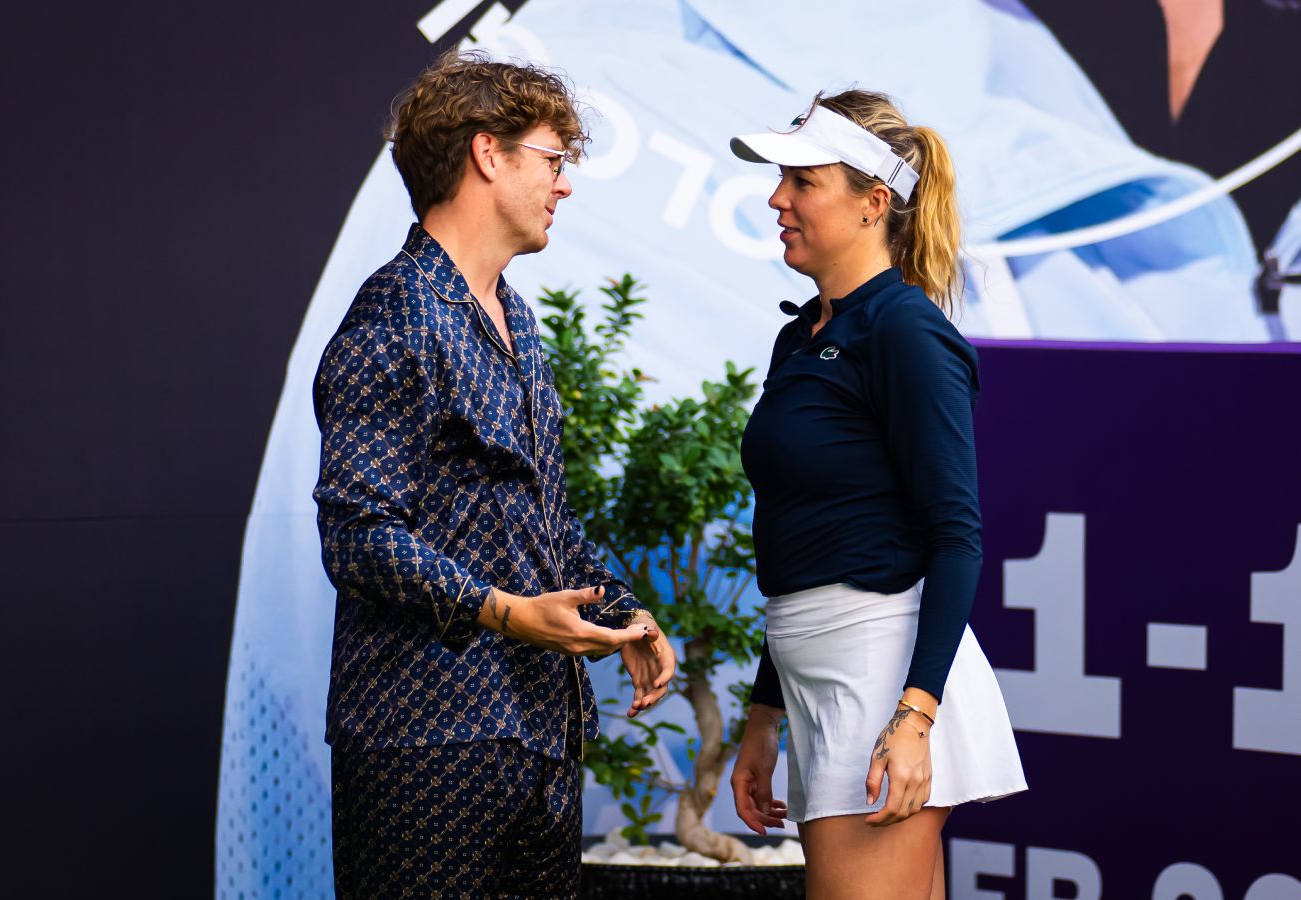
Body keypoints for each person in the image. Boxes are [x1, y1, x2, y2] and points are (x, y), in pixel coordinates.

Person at [311, 50, 676, 899]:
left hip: (538, 736)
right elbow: (358, 536)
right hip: (423, 742)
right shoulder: (395, 313)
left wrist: (623, 614)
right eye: (552, 159)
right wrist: (506, 613)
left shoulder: (514, 315)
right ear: (487, 154)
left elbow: (540, 519)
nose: (565, 184)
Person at [727, 91, 1027, 900]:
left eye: (803, 181)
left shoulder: (906, 331)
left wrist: (915, 717)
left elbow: (956, 536)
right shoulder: (801, 336)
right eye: (781, 179)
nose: (777, 199)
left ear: (873, 203)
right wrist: (764, 716)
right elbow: (803, 535)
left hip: (883, 687)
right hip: (824, 680)